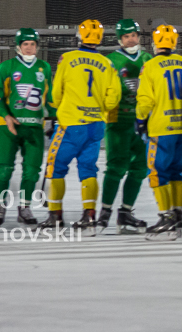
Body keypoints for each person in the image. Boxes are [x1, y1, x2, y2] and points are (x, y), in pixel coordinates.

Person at [41, 18, 121, 233]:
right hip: (95, 125)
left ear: (79, 36)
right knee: (88, 169)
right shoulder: (107, 63)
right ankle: (89, 216)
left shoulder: (67, 59)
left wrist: (59, 110)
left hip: (70, 124)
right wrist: (98, 108)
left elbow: (56, 92)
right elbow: (114, 97)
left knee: (56, 168)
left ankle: (55, 215)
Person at [135, 21, 182, 240]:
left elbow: (145, 99)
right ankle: (177, 215)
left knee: (157, 173)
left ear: (155, 43)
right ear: (175, 43)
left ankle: (166, 218)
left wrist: (140, 119)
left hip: (162, 128)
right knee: (177, 172)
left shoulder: (150, 66)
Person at [0, 28, 53, 226]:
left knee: (32, 170)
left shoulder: (44, 67)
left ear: (37, 46)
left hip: (34, 127)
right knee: (3, 168)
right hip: (9, 127)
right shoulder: (7, 66)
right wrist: (6, 116)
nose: (29, 47)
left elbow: (50, 98)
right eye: (25, 44)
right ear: (18, 46)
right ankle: (0, 206)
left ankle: (25, 207)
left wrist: (56, 117)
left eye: (32, 44)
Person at [100, 19, 151, 233]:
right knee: (116, 167)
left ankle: (126, 213)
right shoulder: (110, 60)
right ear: (120, 39)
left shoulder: (148, 58)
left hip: (142, 122)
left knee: (140, 168)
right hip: (118, 120)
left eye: (134, 35)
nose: (131, 39)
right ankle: (104, 213)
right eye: (126, 36)